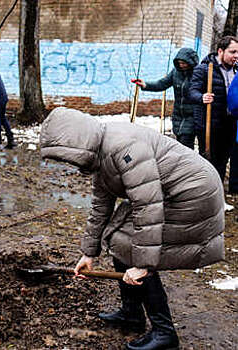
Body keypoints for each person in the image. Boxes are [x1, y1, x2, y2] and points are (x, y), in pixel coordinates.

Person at [40, 108, 225, 350]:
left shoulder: (123, 147)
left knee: (128, 244)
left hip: (193, 194)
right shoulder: (101, 154)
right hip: (171, 193)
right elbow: (100, 207)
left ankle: (164, 333)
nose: (68, 163)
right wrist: (88, 253)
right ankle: (132, 314)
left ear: (76, 142)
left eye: (65, 157)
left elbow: (148, 206)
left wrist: (143, 265)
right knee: (119, 239)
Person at [189, 35, 238, 211]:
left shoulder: (235, 71)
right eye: (232, 52)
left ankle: (218, 200)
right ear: (220, 51)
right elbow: (191, 91)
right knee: (208, 162)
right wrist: (201, 97)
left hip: (229, 124)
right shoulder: (204, 69)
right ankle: (203, 199)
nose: (236, 56)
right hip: (209, 125)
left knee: (222, 162)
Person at [131, 48, 199, 149]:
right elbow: (162, 84)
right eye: (179, 63)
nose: (181, 65)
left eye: (184, 63)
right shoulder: (176, 73)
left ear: (191, 62)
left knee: (186, 143)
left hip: (192, 115)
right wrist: (145, 84)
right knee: (179, 142)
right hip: (178, 115)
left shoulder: (198, 73)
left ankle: (187, 164)